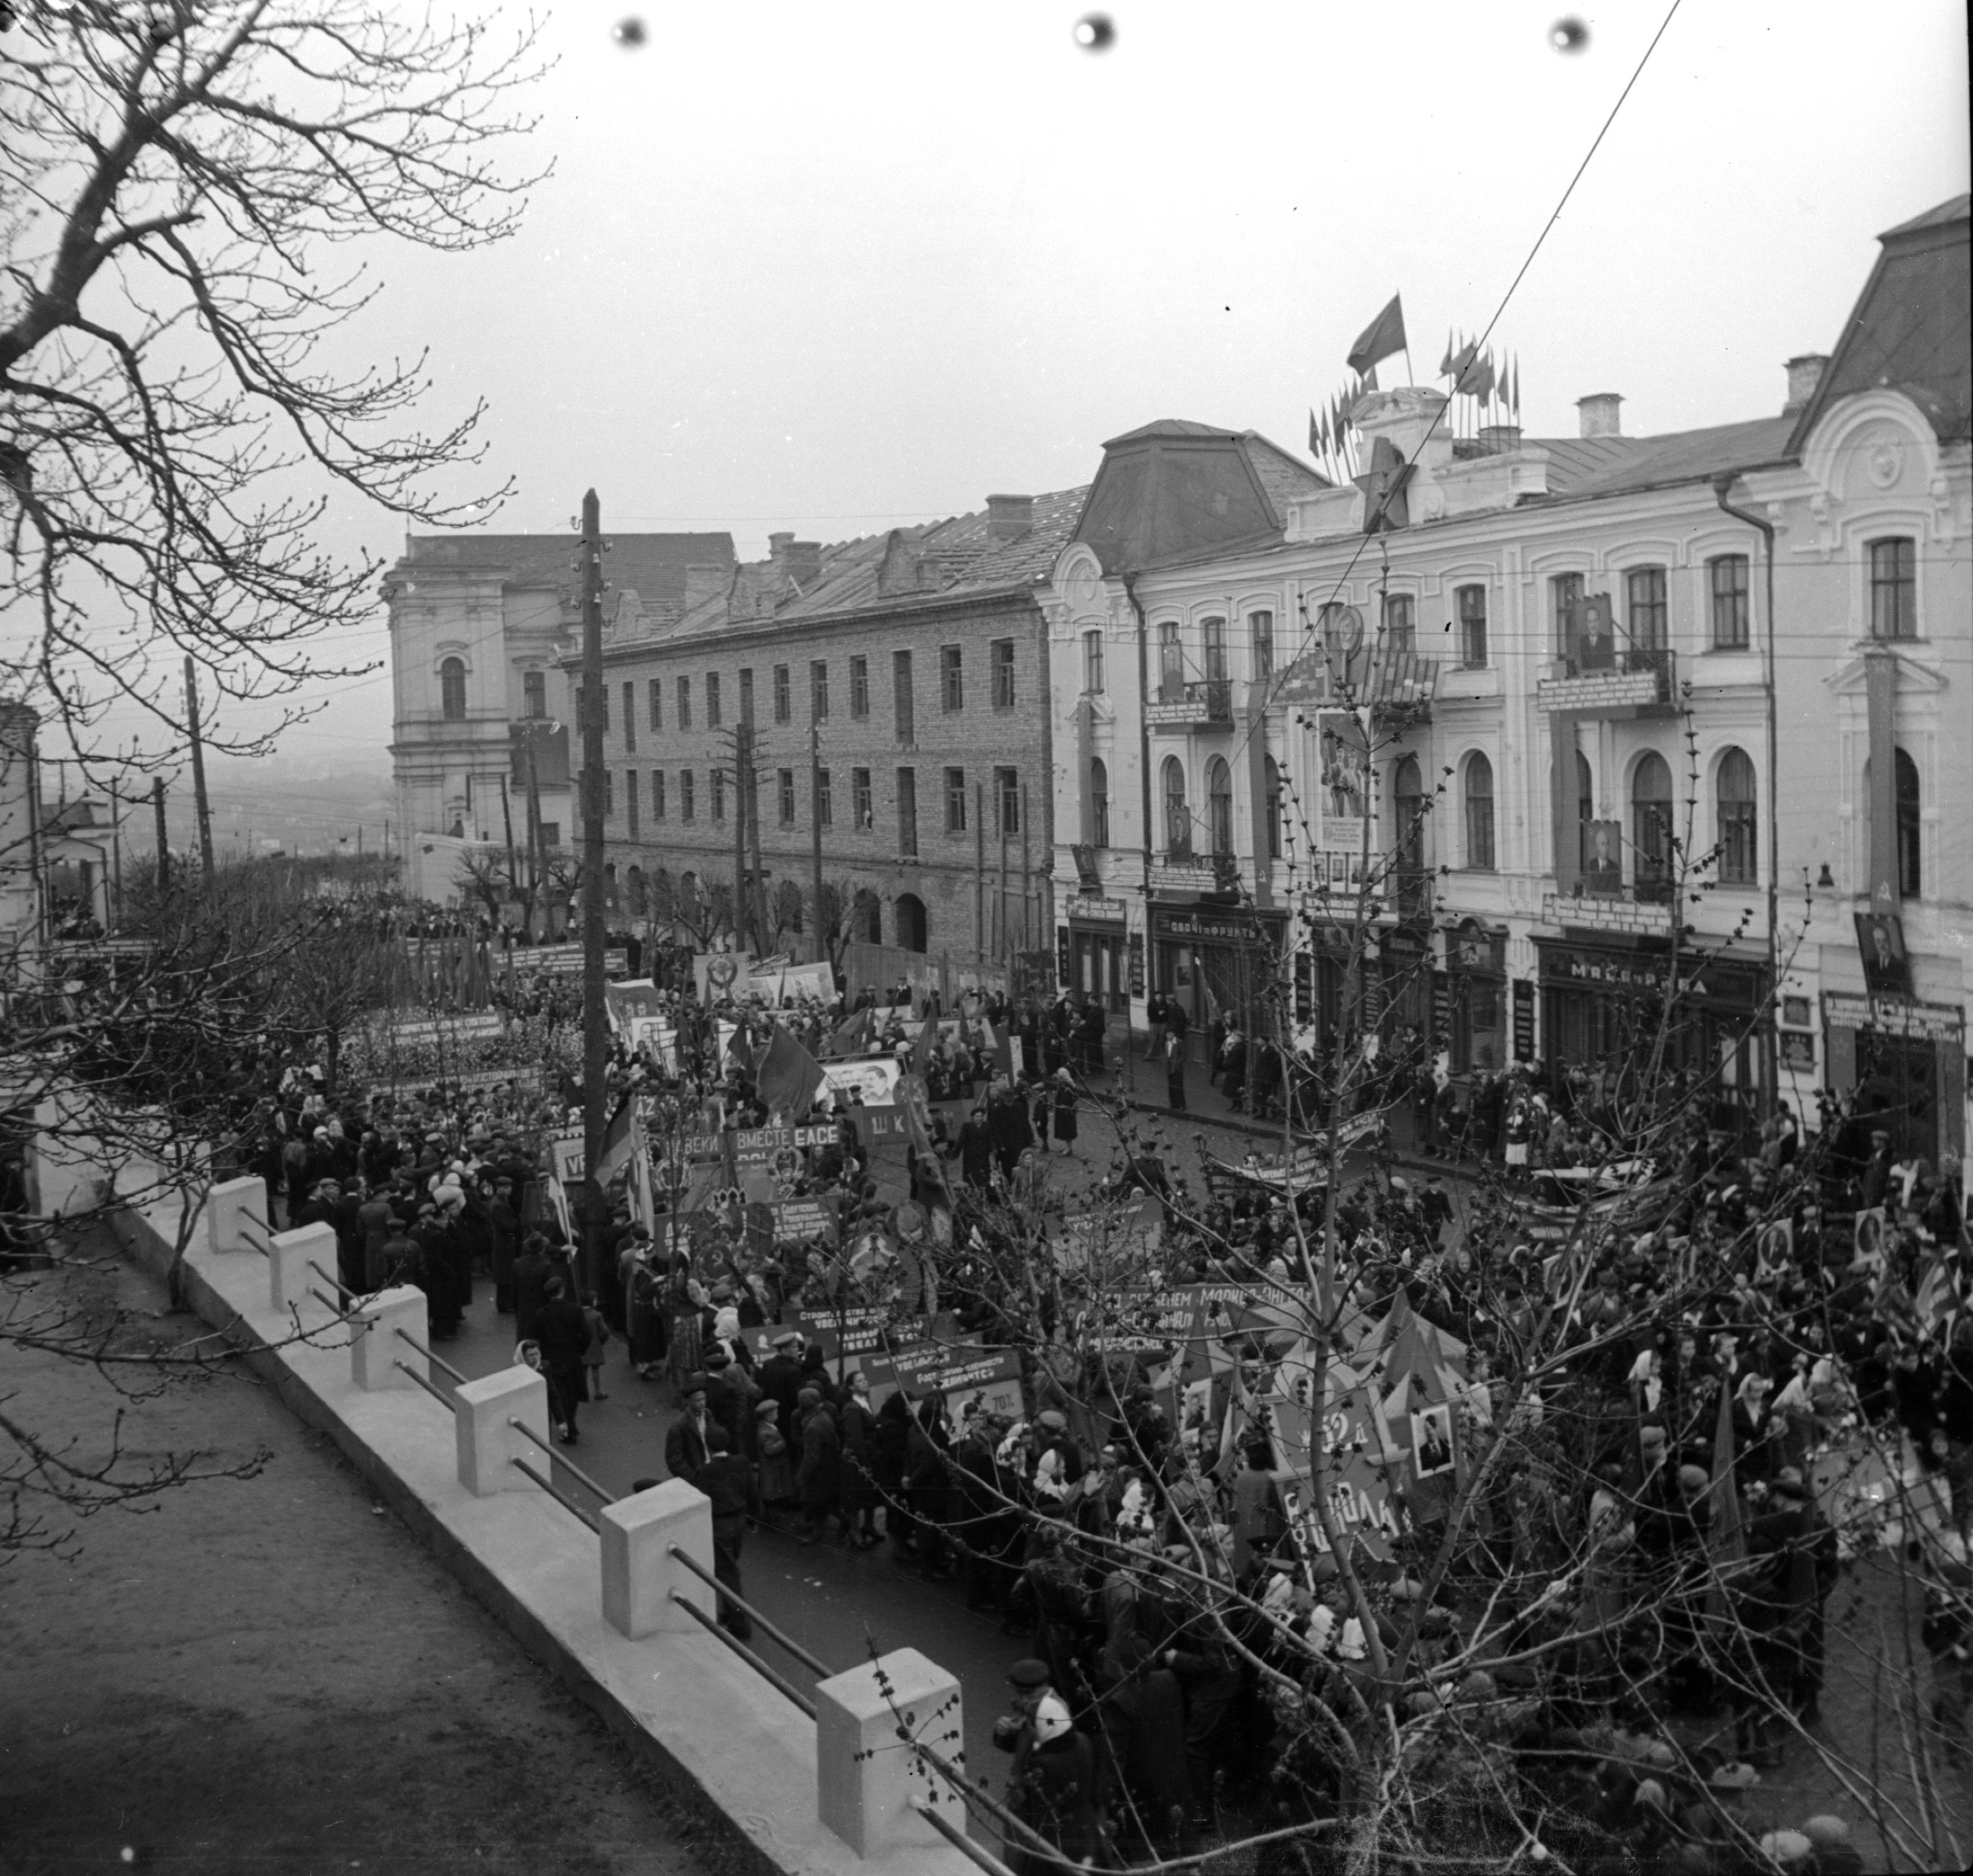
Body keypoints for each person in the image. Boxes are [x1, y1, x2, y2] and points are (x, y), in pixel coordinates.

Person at [699, 1425, 760, 1640]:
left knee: (727, 1574)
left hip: (720, 1525)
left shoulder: (706, 1471)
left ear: (707, 1445)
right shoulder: (742, 1462)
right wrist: (754, 1518)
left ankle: (740, 1624)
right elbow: (752, 1490)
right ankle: (727, 1610)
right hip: (739, 1521)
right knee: (731, 1567)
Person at [533, 1275, 592, 1445]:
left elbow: (537, 1340)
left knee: (559, 1395)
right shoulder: (575, 1309)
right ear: (562, 1290)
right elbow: (587, 1335)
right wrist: (579, 1350)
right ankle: (570, 1425)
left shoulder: (540, 1314)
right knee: (572, 1394)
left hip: (552, 1361)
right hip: (572, 1358)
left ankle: (568, 1427)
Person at [665, 1372, 715, 1491]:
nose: (702, 1403)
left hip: (712, 1469)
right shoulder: (678, 1426)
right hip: (697, 1476)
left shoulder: (708, 1414)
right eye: (698, 1400)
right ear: (688, 1401)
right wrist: (692, 1478)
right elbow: (674, 1460)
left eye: (704, 1399)